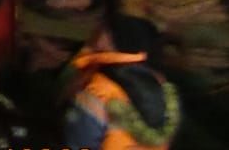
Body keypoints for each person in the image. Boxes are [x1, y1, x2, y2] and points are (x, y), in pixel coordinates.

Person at [61, 11, 180, 150]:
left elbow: (80, 141)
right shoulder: (161, 84)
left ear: (111, 40)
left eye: (103, 30)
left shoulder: (98, 87)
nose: (95, 32)